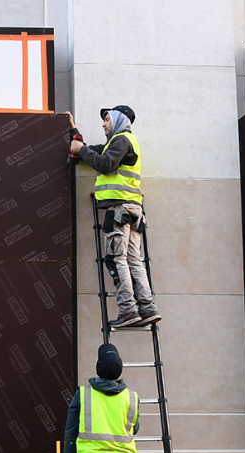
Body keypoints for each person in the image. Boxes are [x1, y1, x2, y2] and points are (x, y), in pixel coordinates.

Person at [68, 105, 161, 329]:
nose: (103, 124)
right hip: (133, 209)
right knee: (133, 260)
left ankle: (128, 310)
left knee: (116, 259)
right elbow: (89, 152)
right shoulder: (121, 143)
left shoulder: (121, 140)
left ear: (118, 120)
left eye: (107, 119)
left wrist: (81, 150)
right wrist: (75, 133)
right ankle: (147, 308)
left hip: (119, 210)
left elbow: (105, 164)